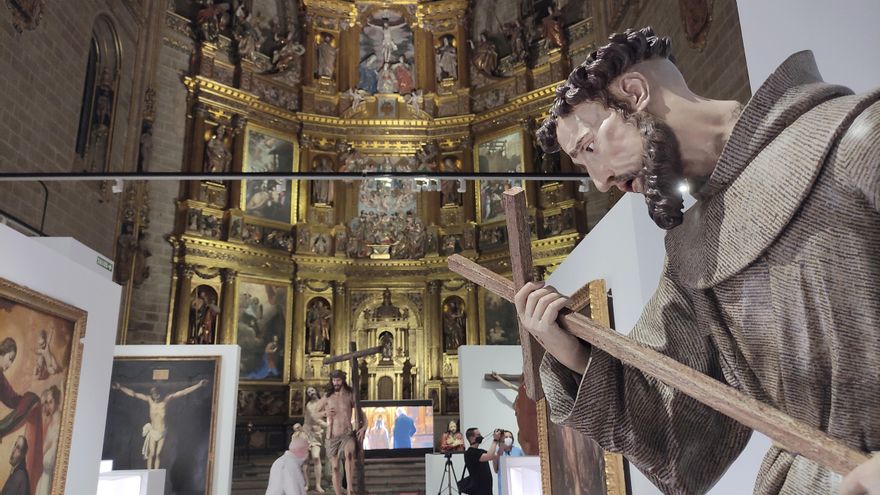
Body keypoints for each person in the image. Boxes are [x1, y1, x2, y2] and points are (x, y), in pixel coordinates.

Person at [518, 26, 880, 494]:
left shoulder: (853, 136)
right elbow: (676, 442)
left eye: (589, 148)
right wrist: (572, 352)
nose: (601, 182)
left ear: (634, 92)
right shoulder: (695, 255)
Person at [111, 378, 209, 469]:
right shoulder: (149, 400)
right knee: (151, 454)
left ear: (160, 393)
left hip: (162, 431)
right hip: (153, 431)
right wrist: (120, 387)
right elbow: (133, 394)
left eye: (157, 394)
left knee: (158, 454)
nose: (156, 396)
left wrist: (198, 385)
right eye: (154, 394)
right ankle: (149, 473)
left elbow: (183, 392)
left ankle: (156, 473)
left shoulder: (166, 400)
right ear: (152, 394)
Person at [321, 370, 365, 495]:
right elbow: (314, 413)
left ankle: (350, 489)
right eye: (334, 380)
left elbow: (361, 413)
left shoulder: (350, 394)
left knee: (350, 455)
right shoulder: (328, 396)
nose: (336, 383)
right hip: (332, 436)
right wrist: (325, 413)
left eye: (338, 380)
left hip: (347, 433)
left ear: (343, 380)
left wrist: (364, 427)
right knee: (335, 468)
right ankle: (338, 492)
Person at [35, 386, 61, 495]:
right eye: (47, 402)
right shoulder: (50, 424)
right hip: (44, 477)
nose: (48, 406)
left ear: (57, 401)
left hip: (50, 477)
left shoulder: (60, 424)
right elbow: (44, 447)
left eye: (51, 402)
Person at [302, 386, 327, 492]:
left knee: (316, 457)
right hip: (306, 432)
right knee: (305, 460)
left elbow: (326, 415)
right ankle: (307, 483)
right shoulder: (308, 404)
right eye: (308, 392)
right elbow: (311, 418)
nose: (311, 393)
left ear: (316, 391)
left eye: (312, 390)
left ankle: (318, 484)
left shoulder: (322, 403)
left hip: (317, 434)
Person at [463, 427, 500, 495]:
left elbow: (496, 456)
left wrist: (501, 441)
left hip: (487, 490)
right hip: (478, 491)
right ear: (471, 438)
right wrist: (495, 440)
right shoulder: (470, 453)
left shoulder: (480, 451)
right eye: (478, 435)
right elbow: (490, 456)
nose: (481, 436)